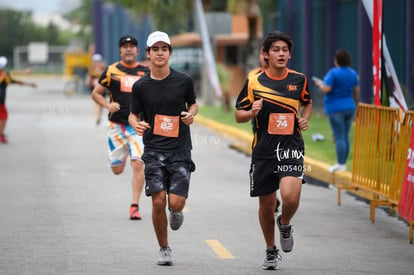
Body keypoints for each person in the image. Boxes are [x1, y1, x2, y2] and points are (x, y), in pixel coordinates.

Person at [235, 31, 313, 270]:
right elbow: (239, 115)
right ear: (266, 55)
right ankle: (270, 250)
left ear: (289, 54)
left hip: (290, 147)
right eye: (275, 50)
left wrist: (304, 118)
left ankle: (286, 222)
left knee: (290, 198)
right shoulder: (254, 82)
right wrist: (252, 112)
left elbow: (307, 101)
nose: (280, 54)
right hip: (264, 151)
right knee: (266, 206)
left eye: (284, 50)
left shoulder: (299, 79)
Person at [128, 31, 198, 266]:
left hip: (180, 150)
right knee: (157, 200)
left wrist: (191, 115)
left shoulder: (184, 80)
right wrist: (136, 124)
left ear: (169, 53)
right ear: (147, 54)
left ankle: (176, 211)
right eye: (155, 49)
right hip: (154, 149)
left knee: (175, 203)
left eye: (164, 49)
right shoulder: (140, 86)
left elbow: (194, 104)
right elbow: (132, 114)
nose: (160, 53)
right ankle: (164, 248)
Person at [91, 35, 149, 220]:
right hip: (117, 126)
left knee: (138, 164)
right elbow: (96, 93)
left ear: (138, 51)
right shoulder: (111, 71)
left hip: (137, 127)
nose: (129, 49)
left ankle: (135, 206)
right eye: (125, 46)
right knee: (117, 170)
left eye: (132, 46)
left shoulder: (146, 72)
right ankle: (122, 155)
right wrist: (108, 106)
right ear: (120, 51)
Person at [247, 47, 281, 214]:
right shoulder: (253, 76)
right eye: (261, 54)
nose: (263, 58)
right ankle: (271, 191)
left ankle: (278, 188)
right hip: (260, 121)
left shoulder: (285, 76)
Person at [314, 50, 359, 173]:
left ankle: (341, 164)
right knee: (345, 136)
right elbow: (356, 90)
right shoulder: (353, 73)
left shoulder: (333, 73)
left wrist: (320, 85)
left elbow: (327, 88)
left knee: (339, 136)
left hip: (335, 108)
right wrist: (352, 102)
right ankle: (343, 162)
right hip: (350, 106)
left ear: (337, 60)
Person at [0, 56, 37, 144]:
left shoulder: (5, 75)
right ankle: (1, 135)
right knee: (4, 117)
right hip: (0, 101)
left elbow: (12, 73)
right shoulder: (5, 76)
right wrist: (30, 84)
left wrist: (25, 72)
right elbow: (17, 81)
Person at [85, 53, 106, 125]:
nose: (97, 62)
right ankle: (97, 117)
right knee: (96, 103)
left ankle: (99, 115)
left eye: (98, 61)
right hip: (94, 88)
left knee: (101, 103)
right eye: (95, 61)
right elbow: (89, 77)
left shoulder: (103, 68)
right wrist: (88, 82)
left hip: (102, 88)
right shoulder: (91, 69)